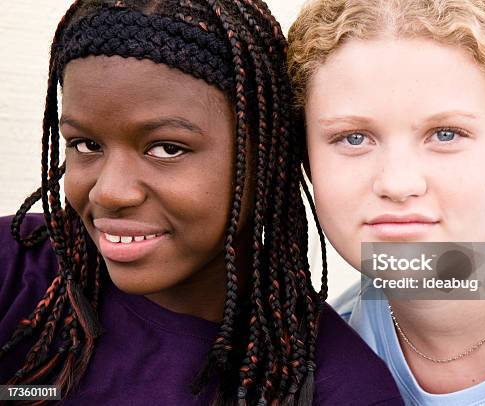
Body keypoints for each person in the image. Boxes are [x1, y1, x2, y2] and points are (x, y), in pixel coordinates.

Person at [0, 1, 404, 405]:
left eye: (167, 148)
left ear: (263, 154)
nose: (110, 192)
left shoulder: (336, 388)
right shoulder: (16, 267)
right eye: (86, 144)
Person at [287, 0, 485, 404]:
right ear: (306, 159)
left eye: (445, 134)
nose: (398, 183)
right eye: (353, 138)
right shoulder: (327, 360)